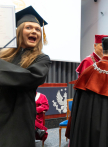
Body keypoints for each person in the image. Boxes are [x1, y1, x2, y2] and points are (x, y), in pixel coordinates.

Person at [0, 6, 51, 147]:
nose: (34, 31)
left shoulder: (41, 59)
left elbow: (31, 76)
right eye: (29, 27)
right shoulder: (3, 56)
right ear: (19, 31)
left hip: (19, 117)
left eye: (37, 29)